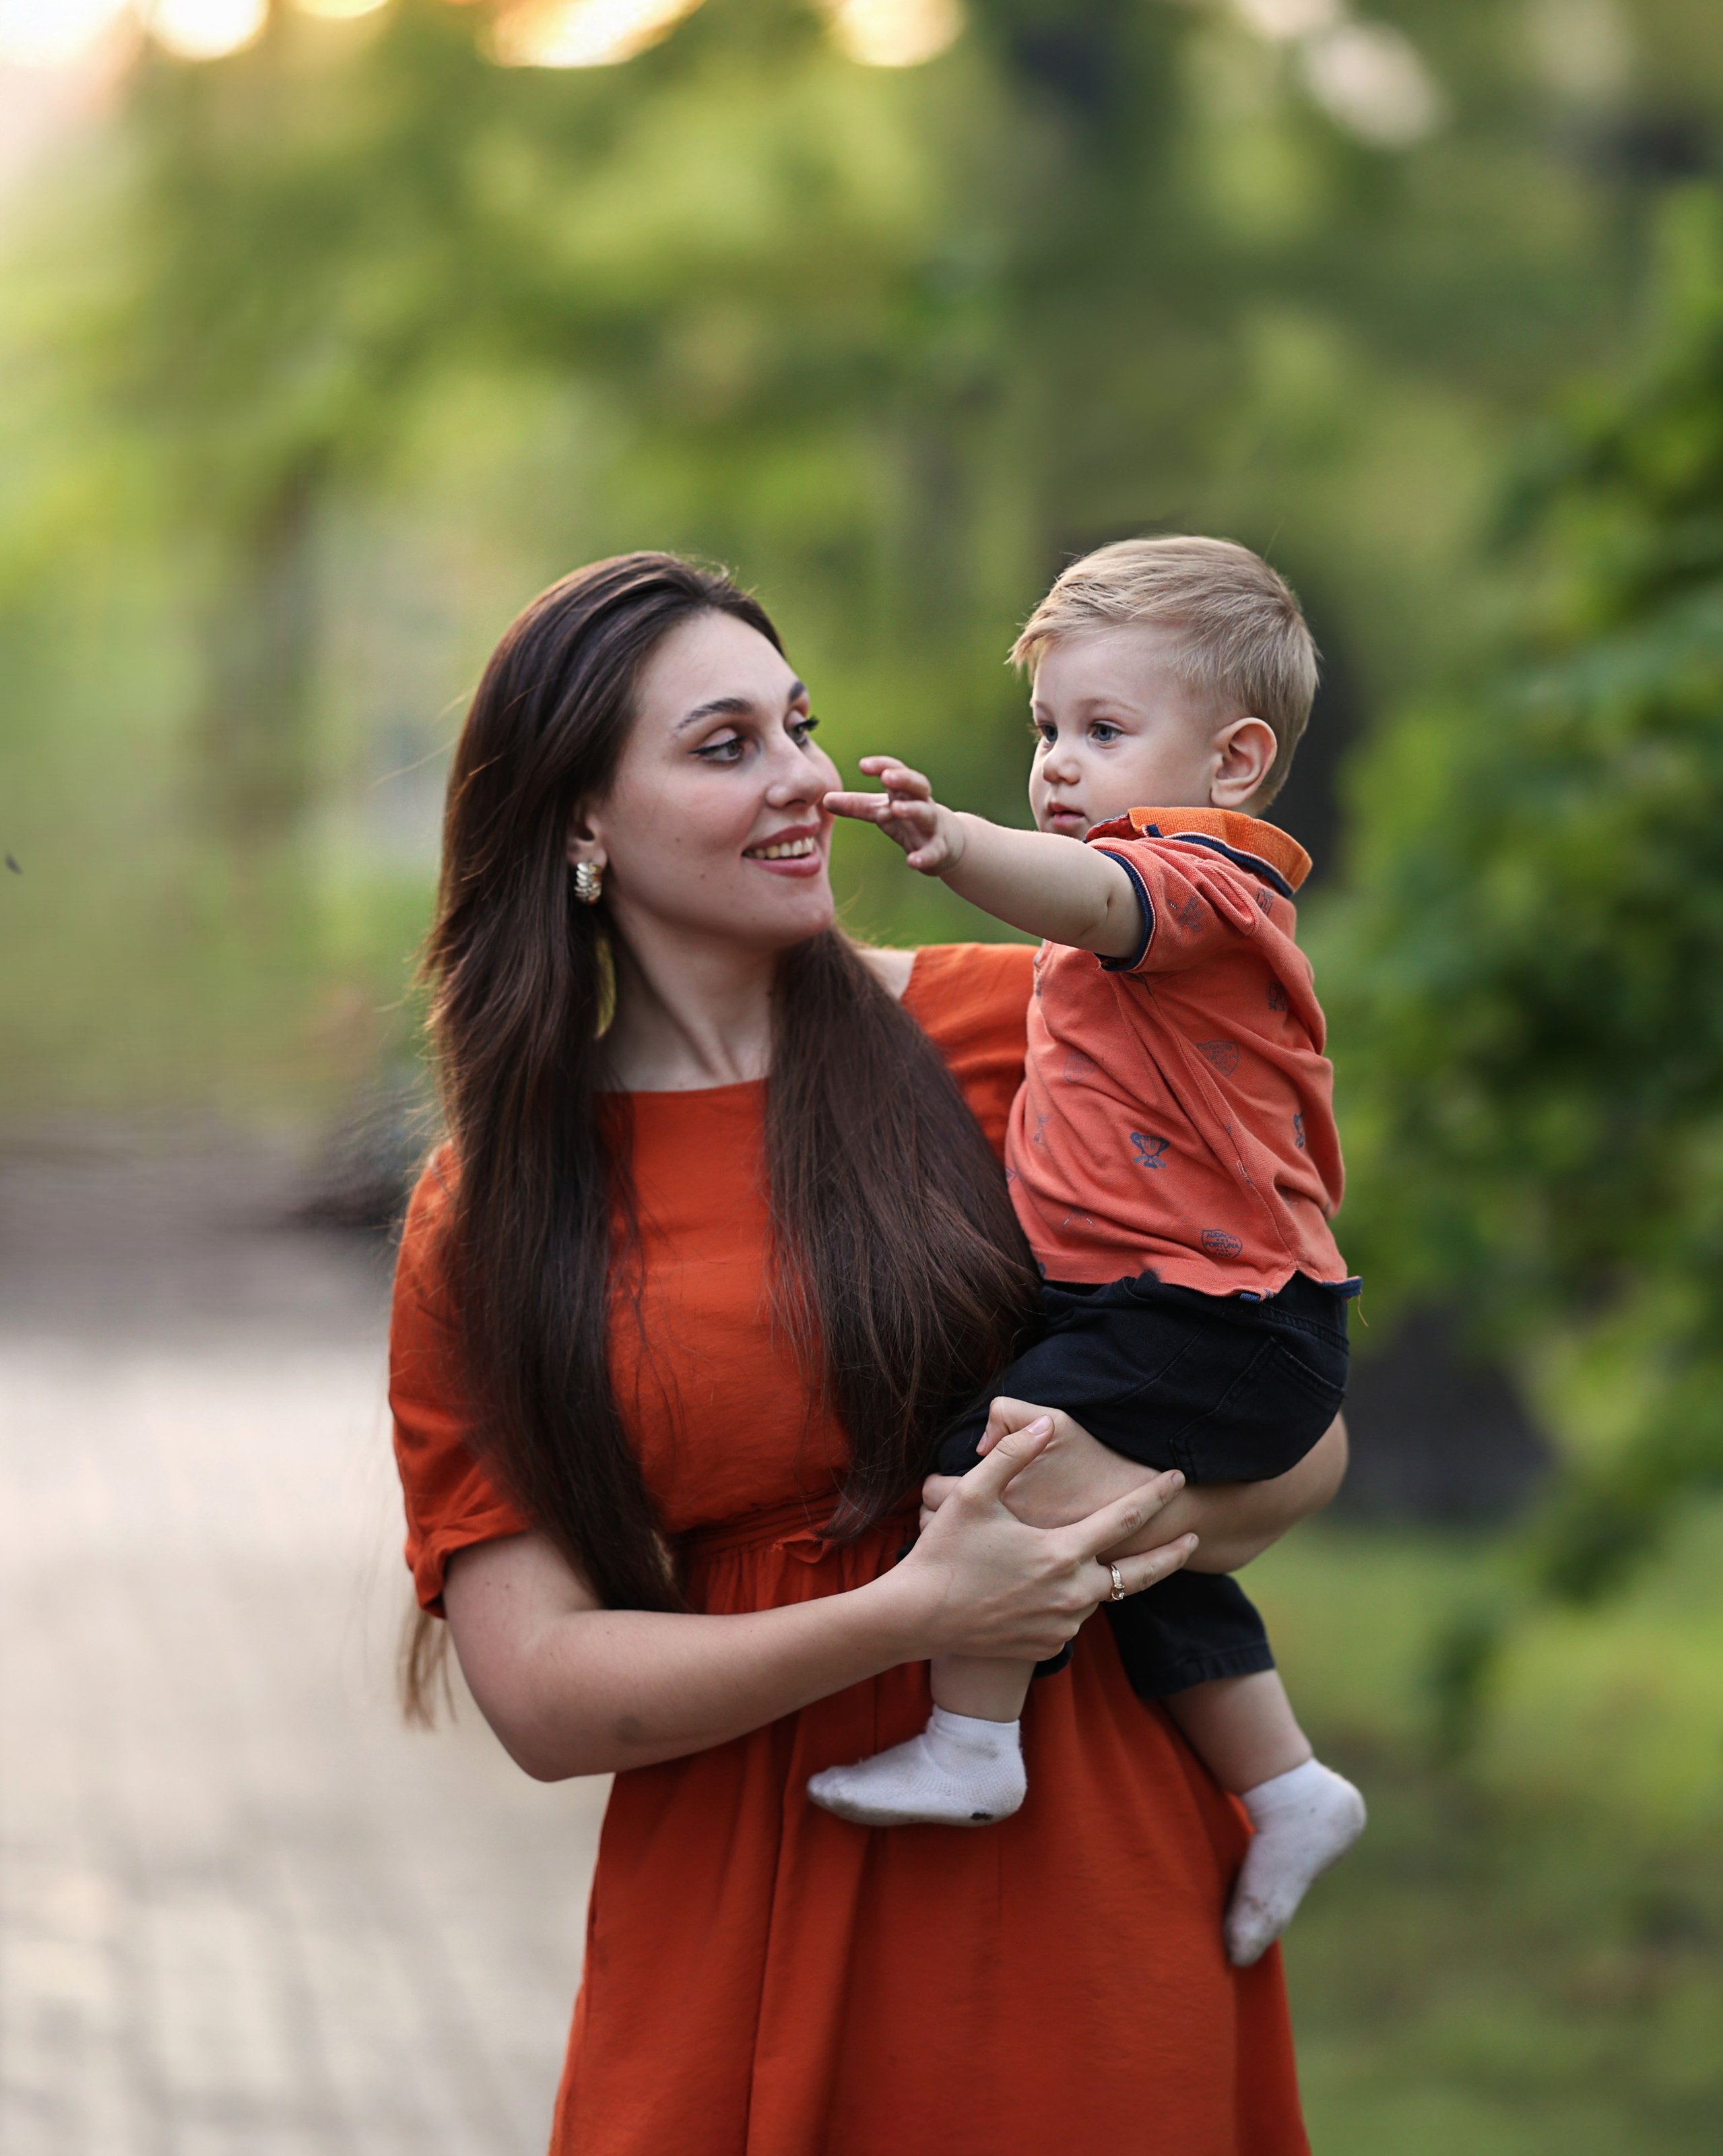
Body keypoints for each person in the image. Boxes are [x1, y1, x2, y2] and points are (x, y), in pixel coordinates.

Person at [389, 550, 1346, 2155]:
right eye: (725, 746)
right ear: (576, 823)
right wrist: (910, 1613)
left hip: (1088, 1893)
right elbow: (543, 1696)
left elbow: (1295, 1431)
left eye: (802, 727)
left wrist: (1043, 1562)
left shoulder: (1033, 1024)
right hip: (742, 1906)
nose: (803, 782)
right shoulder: (494, 1210)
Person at [810, 537, 1365, 1967]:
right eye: (1046, 729)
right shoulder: (1120, 931)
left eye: (1103, 731)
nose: (1058, 762)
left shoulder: (1207, 892)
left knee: (988, 1466)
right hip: (1173, 1307)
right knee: (1143, 1558)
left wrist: (959, 845)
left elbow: (1087, 896)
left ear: (1234, 762)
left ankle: (972, 1737)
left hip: (1219, 1315)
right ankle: (1287, 1782)